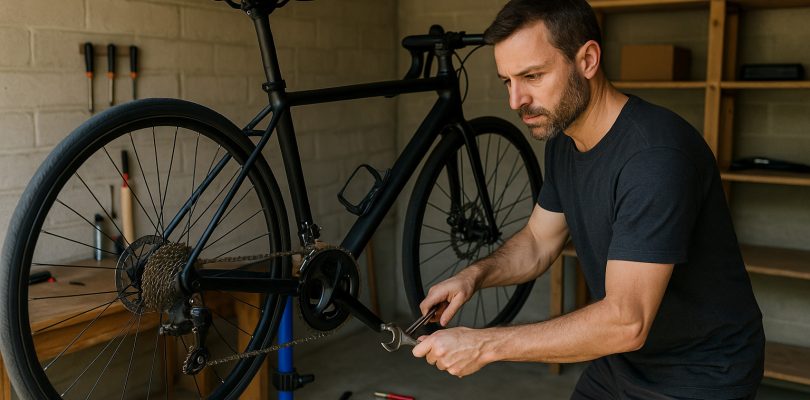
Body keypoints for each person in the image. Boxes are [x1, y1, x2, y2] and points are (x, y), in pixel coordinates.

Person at [411, 0, 765, 398]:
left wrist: (485, 344)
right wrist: (471, 277)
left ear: (588, 59)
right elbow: (538, 243)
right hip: (623, 362)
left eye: (532, 76)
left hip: (702, 372)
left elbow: (626, 321)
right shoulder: (564, 140)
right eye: (507, 81)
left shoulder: (655, 157)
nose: (516, 101)